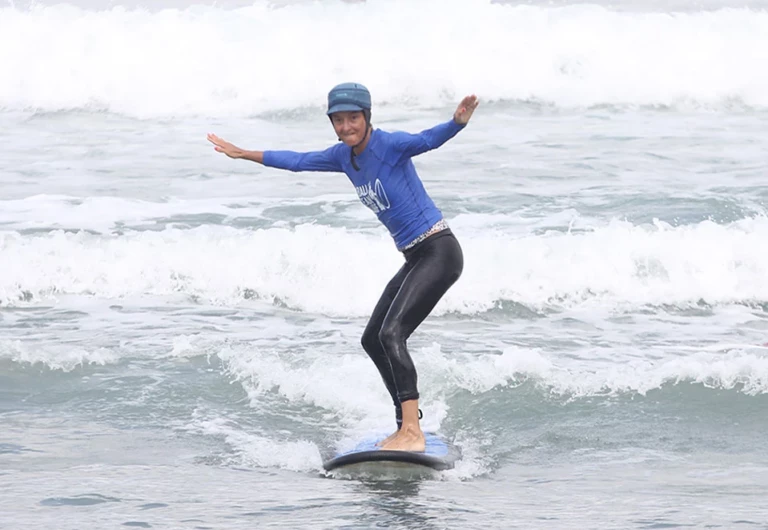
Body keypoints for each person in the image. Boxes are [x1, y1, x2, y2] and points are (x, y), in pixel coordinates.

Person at [207, 83, 479, 452]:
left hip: (439, 250)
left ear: (367, 117)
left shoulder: (389, 145)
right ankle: (405, 426)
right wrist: (243, 154)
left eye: (353, 118)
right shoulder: (343, 157)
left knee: (391, 334)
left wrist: (456, 123)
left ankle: (412, 431)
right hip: (415, 256)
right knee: (373, 340)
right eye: (339, 120)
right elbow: (298, 161)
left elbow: (426, 139)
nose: (347, 126)